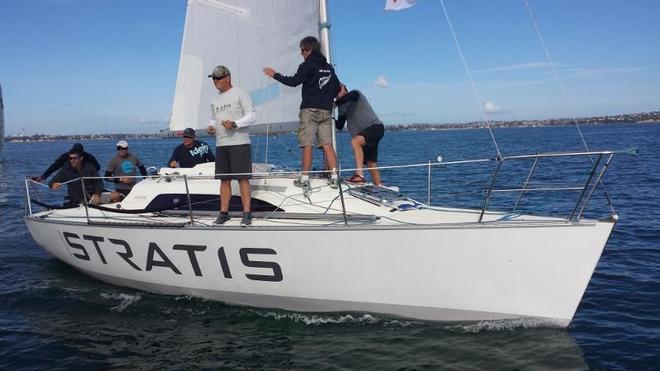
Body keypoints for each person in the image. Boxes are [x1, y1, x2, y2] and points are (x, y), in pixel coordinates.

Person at [263, 36, 341, 188]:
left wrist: (275, 75)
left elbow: (293, 82)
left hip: (310, 110)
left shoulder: (307, 65)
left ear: (310, 49)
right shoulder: (329, 68)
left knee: (307, 144)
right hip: (326, 111)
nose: (301, 53)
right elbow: (337, 89)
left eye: (303, 50)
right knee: (327, 144)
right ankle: (335, 176)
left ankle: (305, 179)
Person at [205, 65, 255, 226]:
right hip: (221, 144)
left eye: (218, 78)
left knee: (243, 179)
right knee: (223, 180)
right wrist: (211, 127)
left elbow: (252, 116)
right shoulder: (214, 100)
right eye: (214, 78)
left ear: (228, 77)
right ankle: (223, 212)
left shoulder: (240, 93)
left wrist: (234, 124)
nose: (216, 81)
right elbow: (213, 118)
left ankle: (246, 213)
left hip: (239, 143)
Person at [335, 84, 385, 185]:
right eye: (335, 92)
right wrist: (329, 117)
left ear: (344, 87)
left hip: (374, 127)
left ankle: (359, 176)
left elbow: (349, 97)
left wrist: (333, 104)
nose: (337, 92)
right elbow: (340, 125)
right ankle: (379, 186)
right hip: (364, 133)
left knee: (355, 142)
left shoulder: (356, 94)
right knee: (371, 163)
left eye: (339, 88)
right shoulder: (341, 107)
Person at [33, 143, 100, 182]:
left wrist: (89, 175)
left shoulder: (88, 157)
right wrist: (43, 177)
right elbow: (55, 166)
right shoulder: (66, 156)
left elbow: (97, 167)